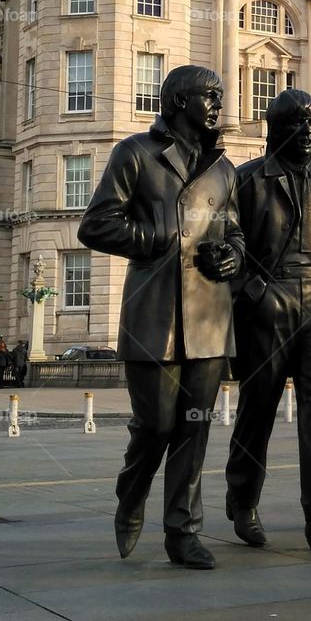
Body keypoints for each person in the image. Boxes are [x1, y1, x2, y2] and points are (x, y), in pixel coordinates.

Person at [78, 65, 243, 570]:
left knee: (195, 428)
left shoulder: (223, 168)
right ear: (177, 101)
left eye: (219, 96)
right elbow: (96, 224)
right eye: (208, 96)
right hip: (154, 315)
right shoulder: (135, 153)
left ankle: (183, 531)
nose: (217, 105)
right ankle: (131, 493)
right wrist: (155, 240)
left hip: (209, 316)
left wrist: (232, 256)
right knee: (155, 425)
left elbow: (234, 231)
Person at [225, 88, 311, 551]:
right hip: (270, 301)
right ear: (274, 128)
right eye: (296, 123)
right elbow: (230, 243)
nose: (306, 132)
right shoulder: (248, 180)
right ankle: (242, 502)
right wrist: (254, 293)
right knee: (257, 407)